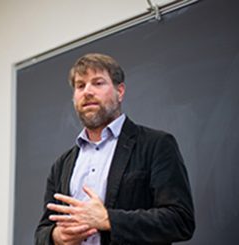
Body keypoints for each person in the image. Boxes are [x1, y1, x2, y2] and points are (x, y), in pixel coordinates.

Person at [35, 53, 195, 245]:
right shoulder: (62, 164)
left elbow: (179, 220)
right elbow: (42, 231)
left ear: (120, 92)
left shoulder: (156, 145)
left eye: (98, 83)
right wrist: (57, 237)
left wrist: (108, 219)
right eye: (80, 85)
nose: (87, 91)